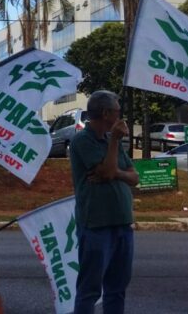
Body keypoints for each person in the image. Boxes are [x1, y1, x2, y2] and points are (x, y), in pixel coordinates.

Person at [68, 90, 139, 314]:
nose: (121, 117)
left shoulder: (110, 141)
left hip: (122, 224)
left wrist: (115, 171)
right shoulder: (82, 140)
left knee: (117, 289)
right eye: (118, 111)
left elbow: (134, 177)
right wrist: (115, 146)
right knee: (90, 289)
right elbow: (107, 172)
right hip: (96, 226)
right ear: (106, 113)